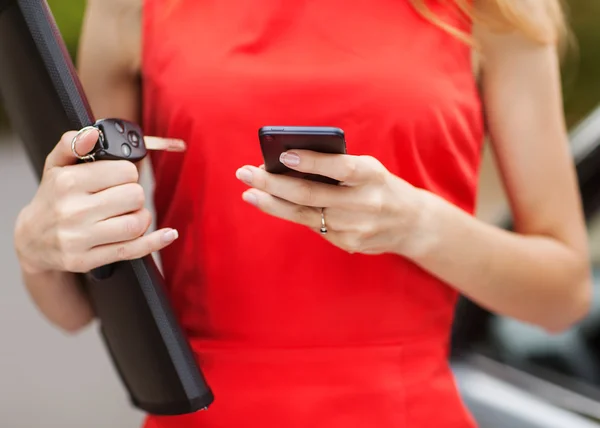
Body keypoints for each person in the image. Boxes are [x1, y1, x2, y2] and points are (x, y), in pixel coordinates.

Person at [12, 0, 592, 426]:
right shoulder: (133, 6)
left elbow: (562, 294)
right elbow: (85, 303)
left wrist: (421, 224)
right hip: (206, 412)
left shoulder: (497, 11)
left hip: (409, 411)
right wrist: (38, 245)